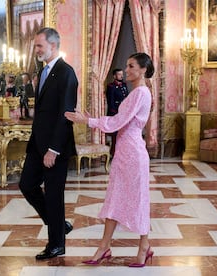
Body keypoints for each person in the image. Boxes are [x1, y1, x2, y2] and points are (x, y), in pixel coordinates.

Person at [65, 52, 155, 267]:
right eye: (127, 65)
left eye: (132, 66)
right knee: (115, 200)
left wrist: (88, 121)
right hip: (125, 152)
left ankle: (144, 246)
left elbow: (117, 122)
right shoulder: (137, 92)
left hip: (132, 153)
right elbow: (119, 122)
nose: (127, 69)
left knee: (138, 199)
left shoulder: (141, 93)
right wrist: (91, 119)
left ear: (143, 70)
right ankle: (104, 247)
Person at [18, 27, 78, 260]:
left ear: (53, 46)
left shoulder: (66, 73)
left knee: (54, 195)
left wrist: (53, 149)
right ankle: (59, 225)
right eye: (36, 46)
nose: (37, 50)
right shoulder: (43, 72)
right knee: (26, 185)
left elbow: (65, 114)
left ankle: (57, 244)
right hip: (37, 144)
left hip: (55, 146)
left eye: (39, 45)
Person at [106, 68, 129, 156]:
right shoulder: (111, 87)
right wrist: (115, 113)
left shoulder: (124, 85)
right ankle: (114, 153)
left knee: (123, 133)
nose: (121, 76)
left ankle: (122, 153)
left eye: (122, 74)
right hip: (115, 113)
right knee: (115, 135)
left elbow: (126, 98)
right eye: (119, 74)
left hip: (124, 113)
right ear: (114, 76)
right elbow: (110, 101)